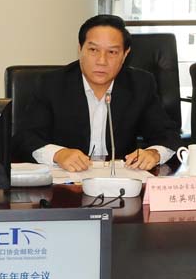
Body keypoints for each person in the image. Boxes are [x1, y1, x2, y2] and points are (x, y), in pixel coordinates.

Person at [13, 14, 181, 172]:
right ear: (80, 49)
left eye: (112, 52)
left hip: (121, 180)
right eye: (93, 50)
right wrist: (58, 154)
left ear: (125, 54)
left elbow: (167, 133)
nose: (102, 61)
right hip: (68, 182)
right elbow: (25, 137)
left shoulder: (140, 84)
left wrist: (153, 153)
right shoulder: (51, 84)